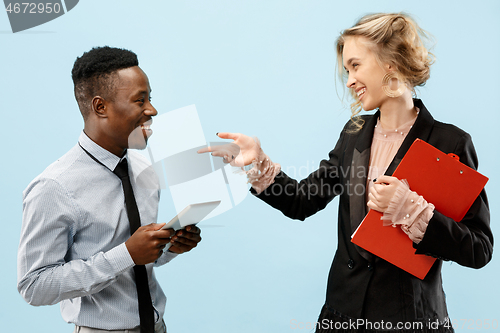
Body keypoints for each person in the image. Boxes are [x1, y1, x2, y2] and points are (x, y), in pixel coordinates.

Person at [199, 13, 493, 332]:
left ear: (390, 63)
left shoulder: (450, 142)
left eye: (355, 65)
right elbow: (302, 201)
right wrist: (259, 163)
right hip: (342, 317)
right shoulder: (353, 133)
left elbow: (478, 248)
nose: (349, 80)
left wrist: (411, 209)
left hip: (411, 320)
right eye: (346, 70)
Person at [17, 46, 202, 333]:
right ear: (100, 107)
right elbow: (34, 286)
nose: (152, 110)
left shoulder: (144, 170)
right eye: (140, 100)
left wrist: (168, 246)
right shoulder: (53, 187)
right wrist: (126, 253)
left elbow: (138, 259)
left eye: (150, 98)